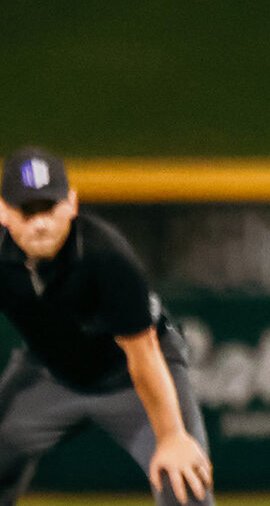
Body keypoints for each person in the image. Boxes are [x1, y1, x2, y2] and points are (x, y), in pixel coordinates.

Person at [0, 147, 213, 505]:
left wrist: (173, 436)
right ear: (3, 210)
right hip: (49, 373)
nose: (39, 223)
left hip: (136, 376)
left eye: (49, 209)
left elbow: (143, 354)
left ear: (71, 203)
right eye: (26, 211)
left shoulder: (105, 256)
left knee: (184, 485)